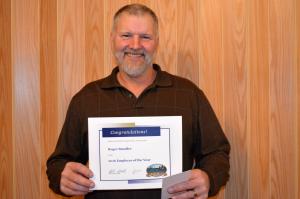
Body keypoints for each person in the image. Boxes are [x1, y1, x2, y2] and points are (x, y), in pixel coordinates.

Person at [46, 3, 230, 199]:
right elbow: (58, 163)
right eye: (126, 35)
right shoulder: (86, 99)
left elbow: (217, 154)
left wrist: (208, 178)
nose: (135, 45)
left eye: (145, 37)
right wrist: (62, 177)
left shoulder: (188, 94)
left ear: (156, 42)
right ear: (112, 39)